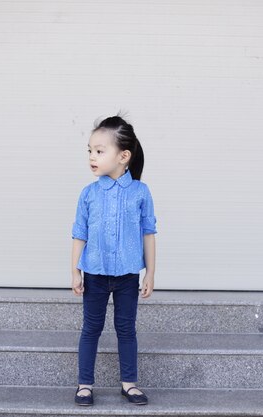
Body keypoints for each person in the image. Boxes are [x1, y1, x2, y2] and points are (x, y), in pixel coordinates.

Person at [70, 113, 157, 406]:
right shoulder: (89, 194)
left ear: (124, 156)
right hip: (94, 273)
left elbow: (148, 233)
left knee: (126, 329)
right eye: (90, 151)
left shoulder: (140, 193)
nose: (92, 157)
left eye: (99, 151)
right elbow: (79, 234)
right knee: (91, 328)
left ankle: (129, 384)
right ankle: (84, 385)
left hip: (127, 276)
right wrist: (75, 271)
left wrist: (151, 273)